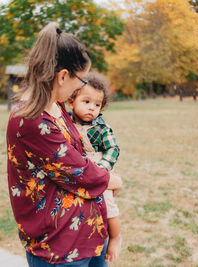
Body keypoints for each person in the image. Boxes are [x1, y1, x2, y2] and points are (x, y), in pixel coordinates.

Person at [6, 23, 122, 267]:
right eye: (81, 80)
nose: (81, 86)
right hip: (60, 247)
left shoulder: (56, 105)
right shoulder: (32, 119)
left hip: (88, 235)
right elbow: (78, 172)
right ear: (62, 76)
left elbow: (77, 156)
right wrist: (111, 180)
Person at [67, 71, 122, 262]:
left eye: (97, 105)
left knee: (107, 204)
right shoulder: (66, 121)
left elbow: (113, 148)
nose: (92, 108)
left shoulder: (101, 128)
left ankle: (114, 237)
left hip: (99, 170)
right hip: (79, 171)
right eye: (86, 102)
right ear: (71, 101)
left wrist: (103, 168)